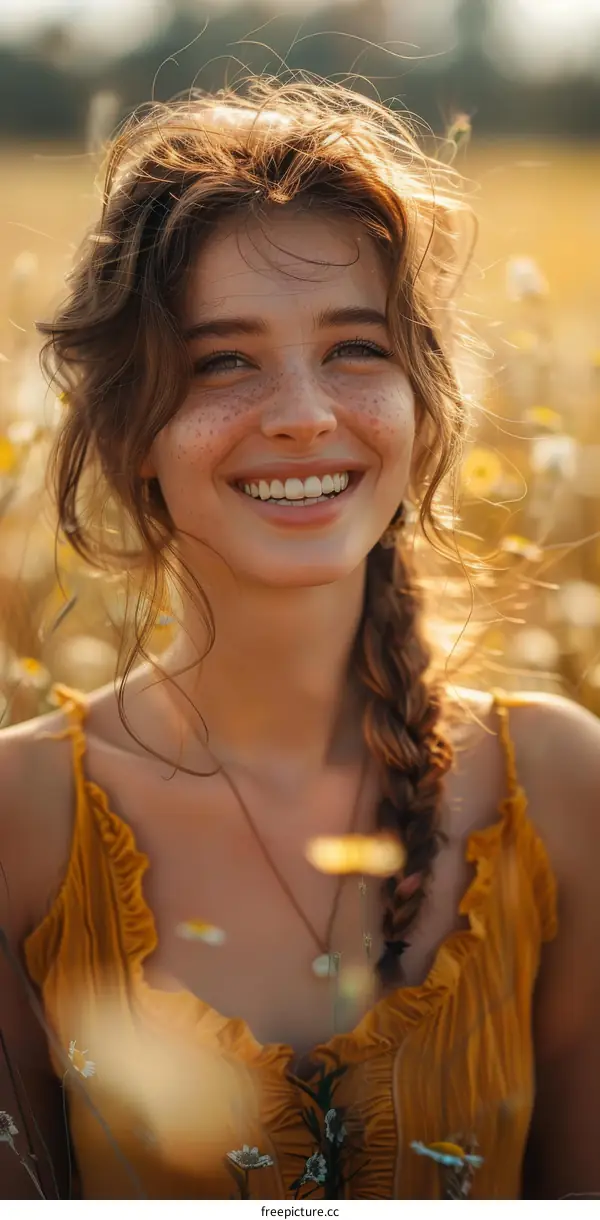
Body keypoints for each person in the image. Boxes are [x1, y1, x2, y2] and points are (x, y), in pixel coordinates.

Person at [0, 78, 598, 1202]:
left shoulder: (560, 784)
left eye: (356, 348)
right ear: (130, 426)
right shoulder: (21, 821)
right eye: (223, 361)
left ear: (424, 399)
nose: (304, 414)